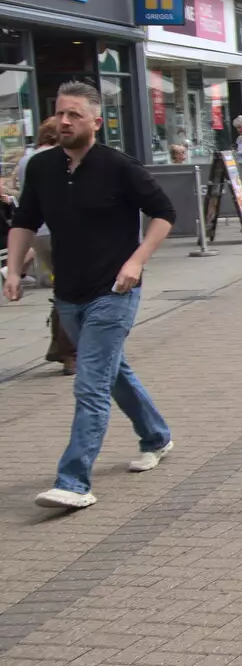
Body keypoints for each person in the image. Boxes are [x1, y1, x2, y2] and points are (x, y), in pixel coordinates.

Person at [6, 82, 176, 510]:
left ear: (96, 122)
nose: (65, 121)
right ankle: (156, 436)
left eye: (75, 114)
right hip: (68, 294)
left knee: (91, 383)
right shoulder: (42, 168)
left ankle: (74, 481)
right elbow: (24, 220)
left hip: (114, 292)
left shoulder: (118, 167)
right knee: (112, 370)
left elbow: (164, 214)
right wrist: (13, 267)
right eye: (60, 113)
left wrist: (136, 262)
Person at [13, 117, 74, 374]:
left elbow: (21, 192)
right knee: (72, 290)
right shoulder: (59, 158)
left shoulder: (27, 160)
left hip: (38, 232)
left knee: (64, 287)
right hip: (59, 229)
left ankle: (62, 347)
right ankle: (69, 351)